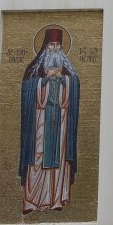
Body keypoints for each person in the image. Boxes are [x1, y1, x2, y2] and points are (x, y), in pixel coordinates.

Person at [19, 26, 80, 214]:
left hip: (60, 120)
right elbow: (27, 88)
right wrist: (44, 80)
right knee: (38, 156)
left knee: (59, 160)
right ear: (45, 46)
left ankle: (55, 200)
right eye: (51, 45)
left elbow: (75, 87)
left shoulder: (68, 72)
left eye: (57, 45)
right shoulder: (34, 70)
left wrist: (64, 81)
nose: (54, 49)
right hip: (40, 119)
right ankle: (31, 201)